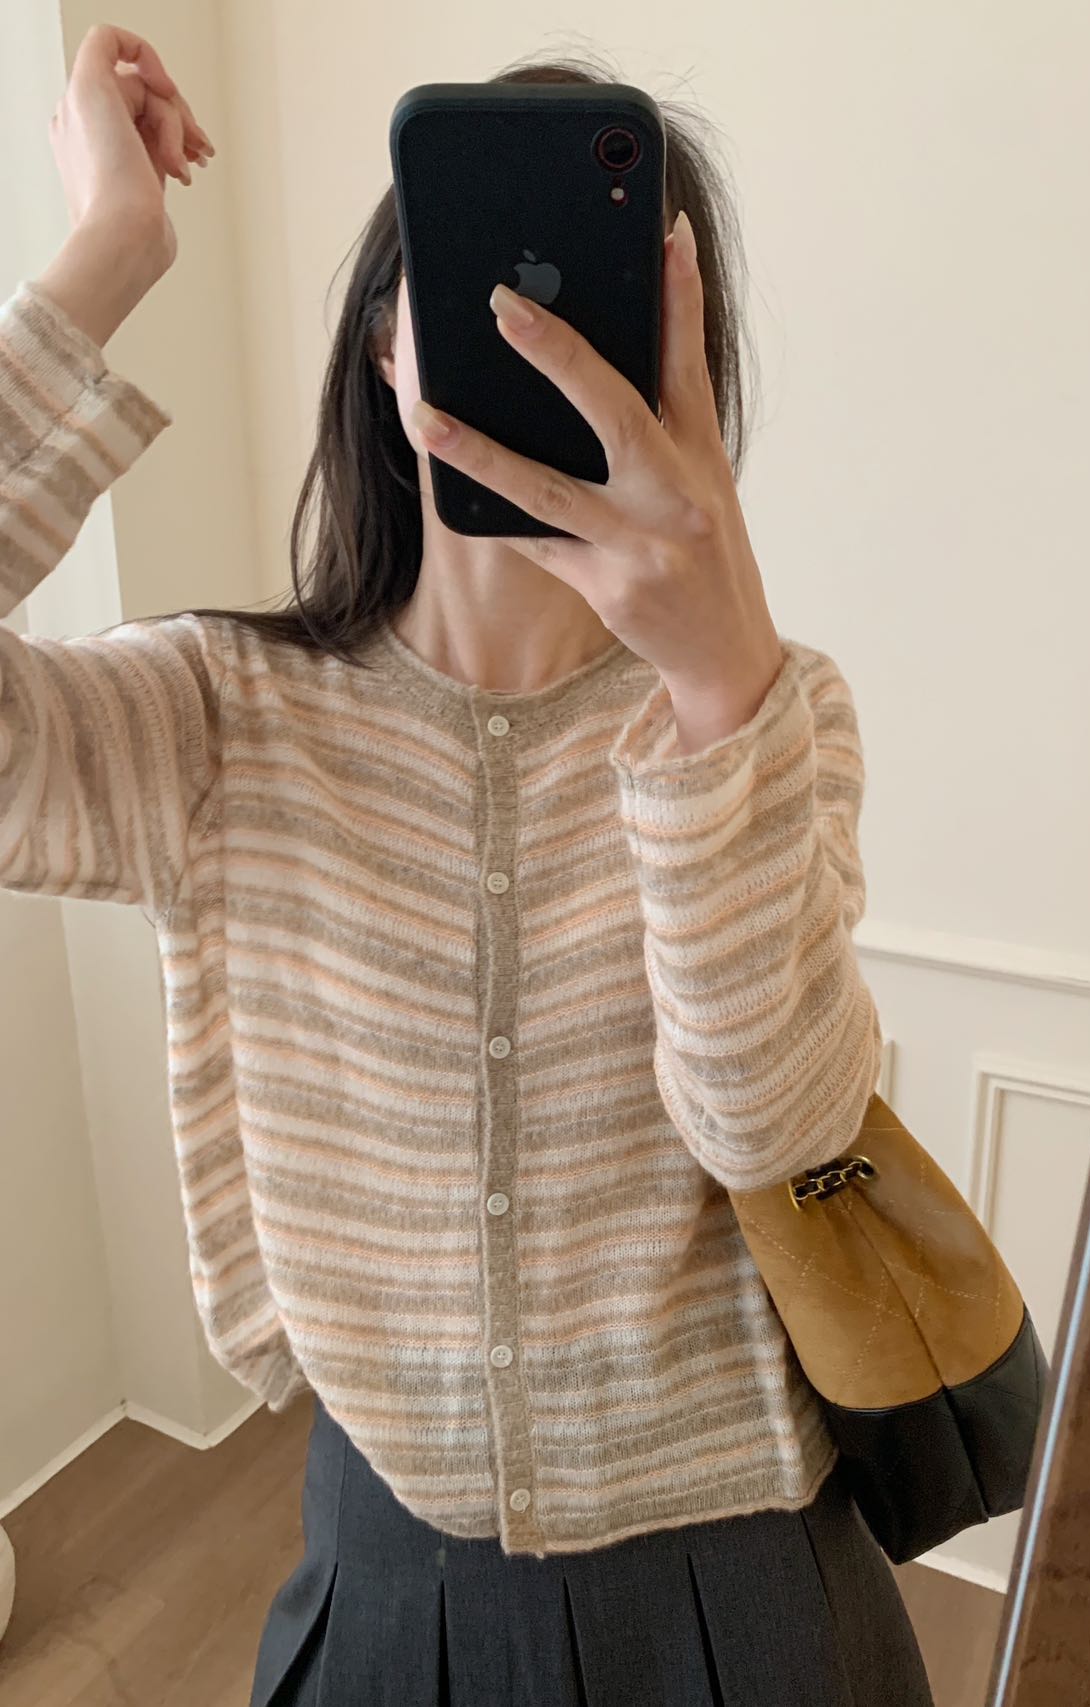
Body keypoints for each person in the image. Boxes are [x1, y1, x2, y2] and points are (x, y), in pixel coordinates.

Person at [0, 23, 935, 1707]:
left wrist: (721, 695)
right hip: (393, 1566)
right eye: (476, 274)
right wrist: (108, 251)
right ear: (385, 338)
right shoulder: (213, 721)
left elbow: (779, 1131)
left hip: (745, 1578)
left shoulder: (773, 711)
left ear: (688, 369)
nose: (538, 326)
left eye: (605, 299)